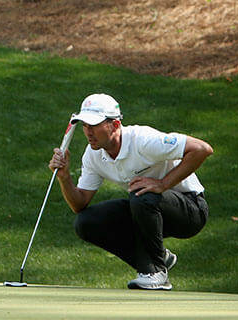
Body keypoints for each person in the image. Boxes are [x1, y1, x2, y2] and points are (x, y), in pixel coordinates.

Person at [48, 93, 212, 291]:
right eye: (84, 125)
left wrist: (163, 184)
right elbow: (79, 203)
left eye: (94, 125)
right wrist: (64, 177)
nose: (88, 132)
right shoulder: (93, 155)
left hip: (191, 210)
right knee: (86, 222)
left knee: (141, 193)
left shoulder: (143, 140)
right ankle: (156, 258)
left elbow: (202, 149)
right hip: (147, 209)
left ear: (115, 125)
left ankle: (156, 272)